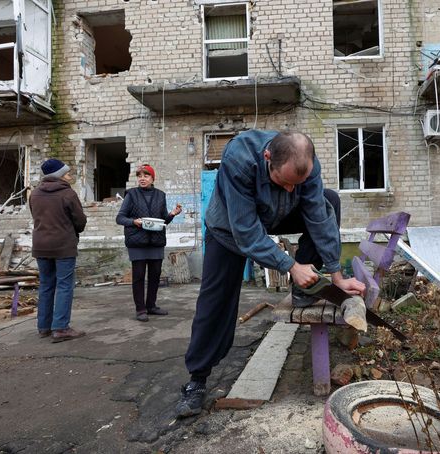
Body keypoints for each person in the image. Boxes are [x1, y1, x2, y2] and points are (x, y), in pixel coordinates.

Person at [175, 130, 365, 417]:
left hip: (276, 215)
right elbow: (247, 233)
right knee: (216, 301)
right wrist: (290, 266)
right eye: (284, 182)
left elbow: (318, 217)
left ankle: (304, 290)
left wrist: (336, 273)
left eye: (297, 184)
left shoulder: (307, 166)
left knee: (329, 201)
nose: (291, 189)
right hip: (229, 228)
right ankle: (197, 380)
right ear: (267, 158)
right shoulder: (238, 159)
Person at [29, 158, 87, 343]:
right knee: (64, 286)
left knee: (46, 285)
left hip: (40, 245)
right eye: (67, 173)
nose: (70, 176)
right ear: (59, 175)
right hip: (63, 246)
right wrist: (72, 230)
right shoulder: (68, 194)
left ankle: (44, 327)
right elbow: (80, 221)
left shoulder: (35, 194)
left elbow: (35, 216)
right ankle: (61, 328)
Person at [116, 164, 182, 321]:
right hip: (137, 242)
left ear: (153, 178)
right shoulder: (131, 195)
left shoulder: (161, 195)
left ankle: (151, 306)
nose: (142, 178)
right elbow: (120, 218)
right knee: (138, 276)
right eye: (139, 176)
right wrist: (134, 221)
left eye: (146, 176)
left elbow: (162, 220)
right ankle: (140, 310)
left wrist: (172, 214)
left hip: (156, 241)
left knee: (155, 275)